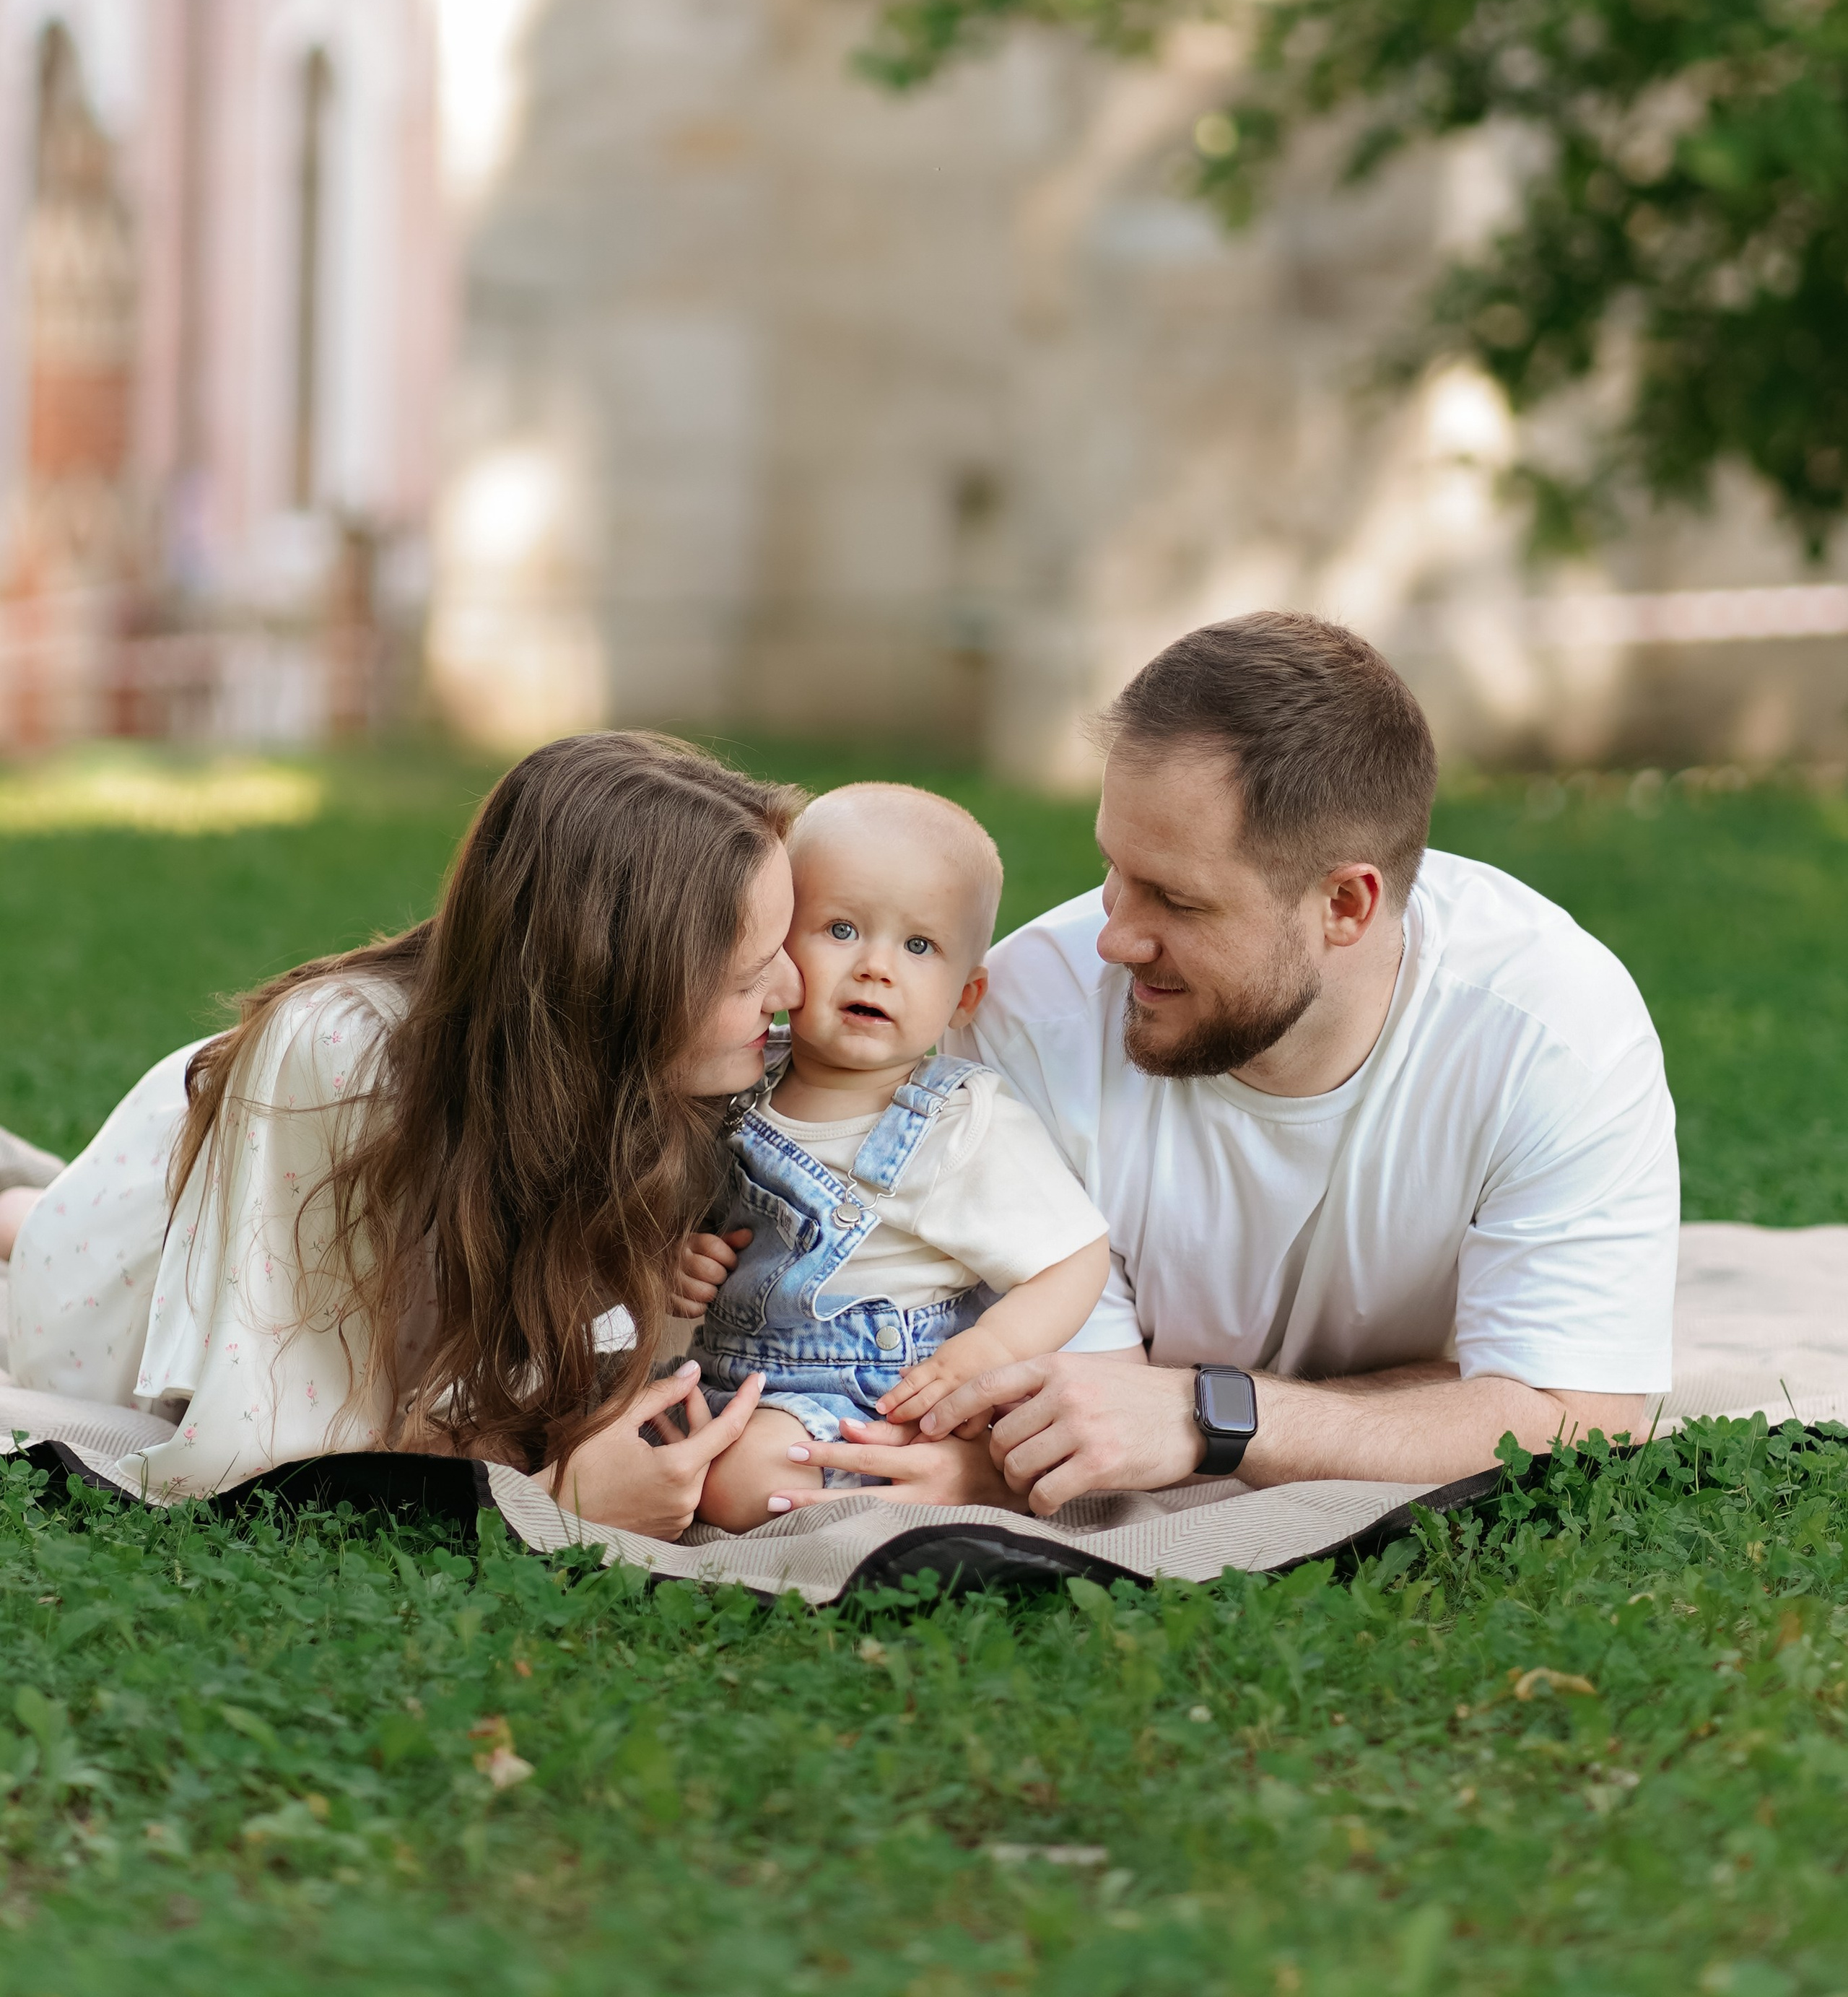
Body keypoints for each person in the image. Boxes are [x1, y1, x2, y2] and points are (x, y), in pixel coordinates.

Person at [905, 612, 1679, 1517]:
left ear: (1345, 904)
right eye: (1115, 867)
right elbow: (1088, 1422)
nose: (1113, 936)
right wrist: (1454, 1394)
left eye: (1177, 899)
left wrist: (1210, 1416)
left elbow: (1579, 1423)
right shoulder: (1025, 1018)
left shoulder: (1550, 1030)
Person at [0, 732, 824, 1534]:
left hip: (339, 1242)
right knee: (55, 1235)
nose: (790, 988)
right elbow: (286, 1450)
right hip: (140, 1259)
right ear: (614, 982)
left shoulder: (691, 1072)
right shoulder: (342, 1059)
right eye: (749, 973)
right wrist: (553, 1507)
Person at [682, 784, 1110, 1531]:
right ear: (780, 948)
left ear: (965, 996)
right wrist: (685, 1258)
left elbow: (1074, 1256)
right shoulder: (743, 1077)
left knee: (742, 1483)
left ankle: (881, 1496)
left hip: (863, 1394)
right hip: (724, 1364)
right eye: (841, 928)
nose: (876, 967)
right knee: (614, 1432)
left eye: (918, 946)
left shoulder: (958, 1121)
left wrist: (989, 1349)